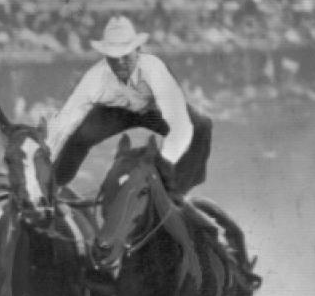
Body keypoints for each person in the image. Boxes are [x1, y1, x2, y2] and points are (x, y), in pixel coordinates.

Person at [46, 15, 212, 197]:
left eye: (125, 56)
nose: (119, 63)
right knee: (79, 135)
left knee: (201, 126)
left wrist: (166, 161)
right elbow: (67, 119)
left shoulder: (155, 70)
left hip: (153, 111)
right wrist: (47, 157)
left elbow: (180, 125)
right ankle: (53, 186)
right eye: (113, 58)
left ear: (138, 50)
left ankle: (178, 193)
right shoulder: (96, 76)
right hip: (114, 112)